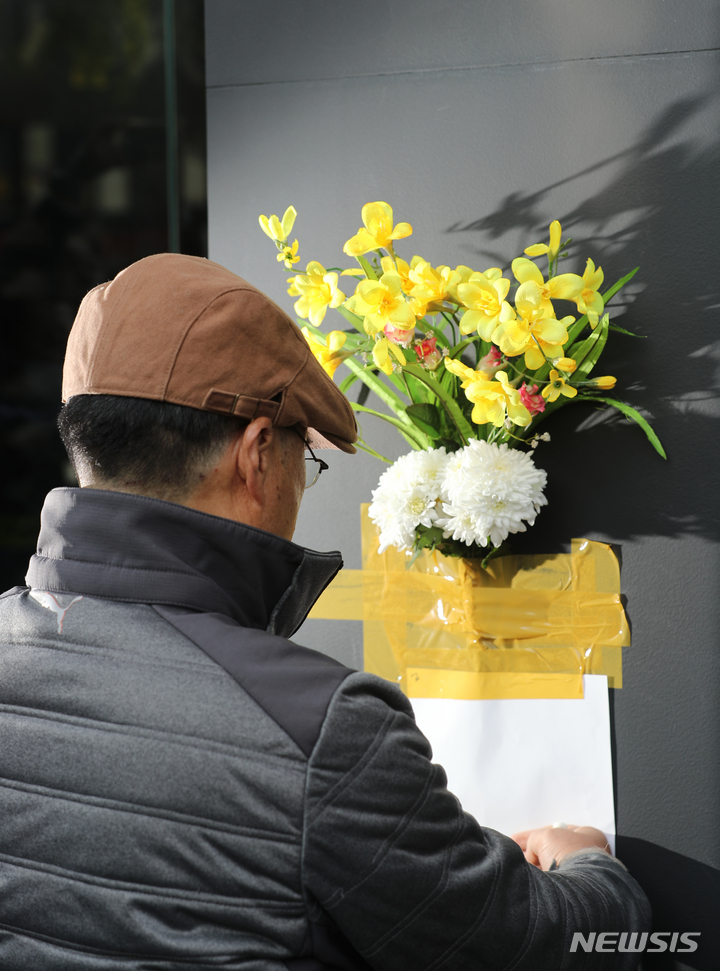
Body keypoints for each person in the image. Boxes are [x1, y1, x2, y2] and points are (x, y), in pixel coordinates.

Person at [0, 253, 650, 970]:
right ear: (255, 455)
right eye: (304, 460)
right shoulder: (319, 727)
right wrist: (595, 874)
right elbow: (519, 945)